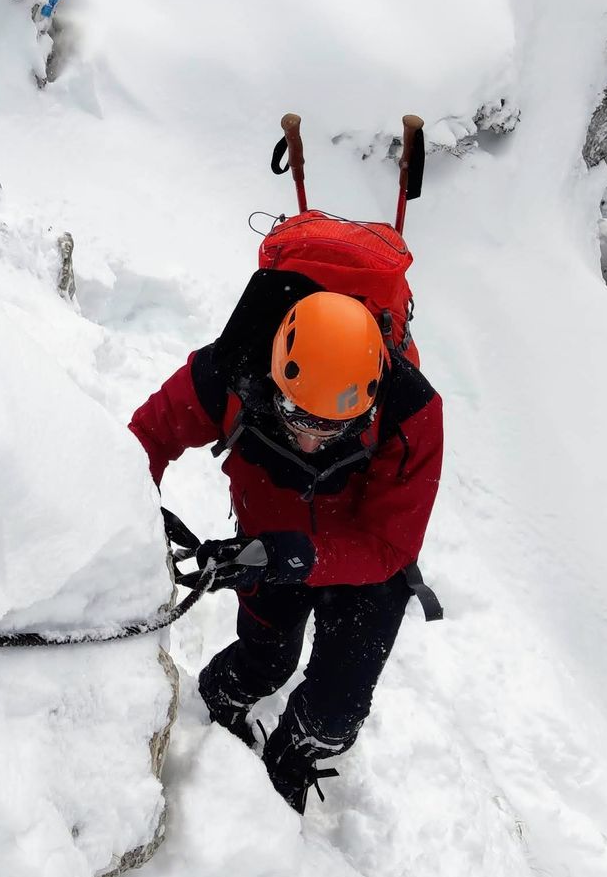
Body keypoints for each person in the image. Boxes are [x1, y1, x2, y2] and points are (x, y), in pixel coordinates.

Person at [130, 278, 444, 811]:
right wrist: (135, 512)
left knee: (337, 711)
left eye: (334, 428)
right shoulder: (230, 369)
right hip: (268, 538)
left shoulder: (411, 414)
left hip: (365, 566)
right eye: (296, 417)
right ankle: (216, 706)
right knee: (266, 659)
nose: (310, 441)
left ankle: (293, 756)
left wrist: (295, 556)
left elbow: (389, 544)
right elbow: (147, 438)